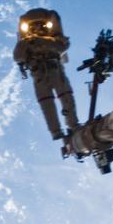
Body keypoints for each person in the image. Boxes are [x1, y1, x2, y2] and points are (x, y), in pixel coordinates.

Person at [13, 8, 79, 140]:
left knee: (66, 97)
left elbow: (62, 47)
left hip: (55, 70)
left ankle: (73, 125)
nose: (37, 29)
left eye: (40, 26)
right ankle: (56, 131)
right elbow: (17, 56)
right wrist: (31, 43)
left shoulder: (54, 40)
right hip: (39, 75)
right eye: (34, 26)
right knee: (47, 104)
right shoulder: (25, 43)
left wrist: (39, 42)